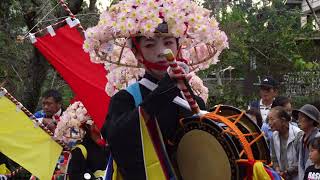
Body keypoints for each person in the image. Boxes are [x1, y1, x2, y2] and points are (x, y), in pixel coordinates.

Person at [85, 0, 228, 179]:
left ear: (178, 47)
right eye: (150, 45)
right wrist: (164, 91)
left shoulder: (193, 100)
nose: (161, 52)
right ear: (137, 53)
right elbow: (118, 141)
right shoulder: (125, 99)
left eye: (168, 42)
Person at [54, 101, 109, 180]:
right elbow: (75, 175)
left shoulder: (107, 146)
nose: (103, 124)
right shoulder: (79, 150)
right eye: (98, 121)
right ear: (89, 126)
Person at [268, 106, 302, 180]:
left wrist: (287, 172)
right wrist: (277, 169)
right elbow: (274, 158)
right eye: (268, 119)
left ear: (283, 120)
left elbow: (301, 161)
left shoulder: (298, 135)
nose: (269, 123)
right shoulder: (274, 136)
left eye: (272, 119)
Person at [293, 104, 320, 180]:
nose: (298, 120)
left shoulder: (318, 138)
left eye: (302, 118)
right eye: (298, 118)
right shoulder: (300, 138)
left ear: (311, 120)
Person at [249, 76, 279, 143]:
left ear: (275, 91)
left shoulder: (278, 106)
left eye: (268, 89)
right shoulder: (252, 106)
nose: (265, 92)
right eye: (262, 89)